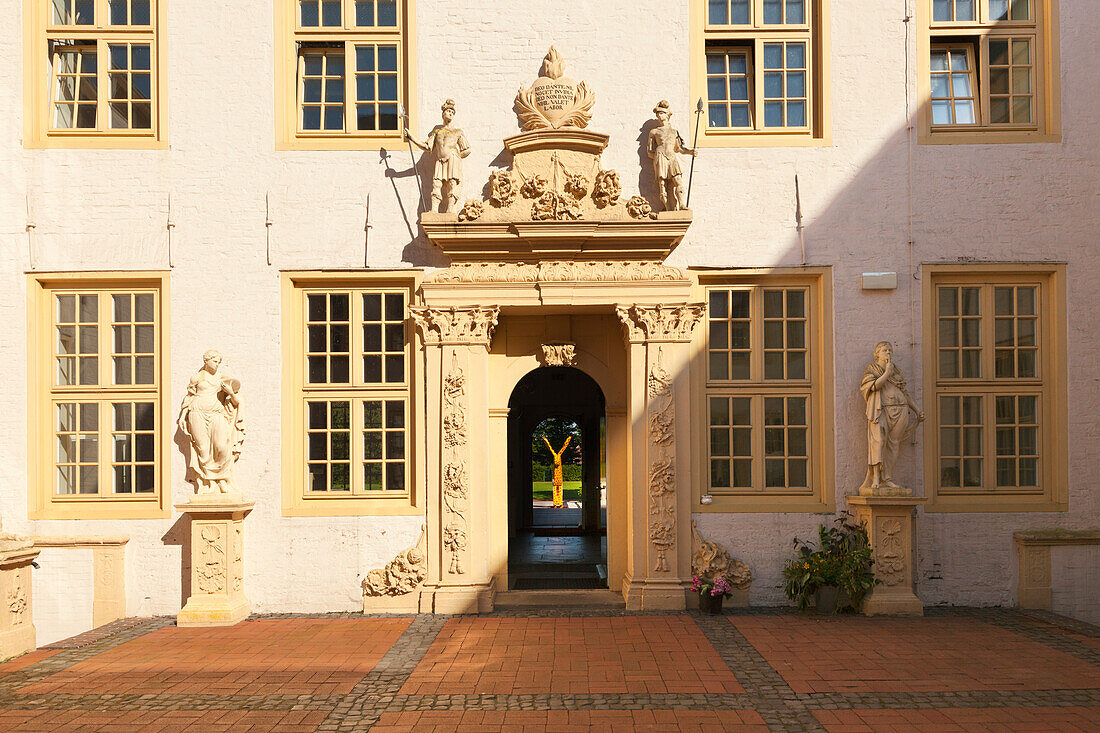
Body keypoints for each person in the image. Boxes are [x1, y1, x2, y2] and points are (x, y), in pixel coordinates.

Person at [178, 349, 244, 495]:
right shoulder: (196, 378)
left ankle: (222, 479)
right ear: (206, 361)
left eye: (219, 362)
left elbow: (236, 401)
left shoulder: (223, 379)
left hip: (216, 414)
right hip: (197, 413)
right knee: (202, 448)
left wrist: (230, 392)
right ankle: (210, 483)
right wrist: (182, 416)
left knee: (222, 446)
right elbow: (189, 397)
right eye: (215, 361)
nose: (217, 364)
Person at [859, 341, 923, 492]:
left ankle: (887, 478)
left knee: (894, 444)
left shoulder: (897, 372)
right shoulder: (873, 369)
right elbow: (872, 386)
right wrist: (887, 372)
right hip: (881, 410)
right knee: (878, 442)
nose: (888, 353)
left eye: (890, 350)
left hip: (901, 410)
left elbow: (904, 393)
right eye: (884, 350)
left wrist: (917, 410)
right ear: (877, 354)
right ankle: (875, 478)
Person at [404, 99, 471, 213]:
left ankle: (450, 209)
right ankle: (434, 210)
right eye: (448, 111)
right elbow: (427, 146)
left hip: (453, 159)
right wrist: (411, 137)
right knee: (437, 183)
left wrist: (456, 157)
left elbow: (467, 149)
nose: (450, 113)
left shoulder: (457, 132)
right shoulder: (437, 132)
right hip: (440, 161)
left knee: (452, 183)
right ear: (443, 113)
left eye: (452, 112)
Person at [647, 100, 696, 211]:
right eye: (658, 114)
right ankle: (667, 207)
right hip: (660, 156)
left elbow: (679, 148)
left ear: (667, 115)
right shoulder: (654, 132)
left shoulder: (674, 132)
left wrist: (690, 152)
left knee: (678, 180)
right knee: (662, 185)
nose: (659, 116)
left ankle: (682, 204)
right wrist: (657, 159)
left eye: (661, 113)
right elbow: (649, 151)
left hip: (672, 156)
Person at [542, 436, 572, 508]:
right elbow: (550, 448)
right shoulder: (556, 455)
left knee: (559, 490)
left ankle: (559, 503)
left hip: (559, 477)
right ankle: (556, 503)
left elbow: (563, 447)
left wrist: (568, 439)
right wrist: (545, 440)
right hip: (556, 478)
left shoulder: (557, 455)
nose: (556, 462)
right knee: (555, 490)